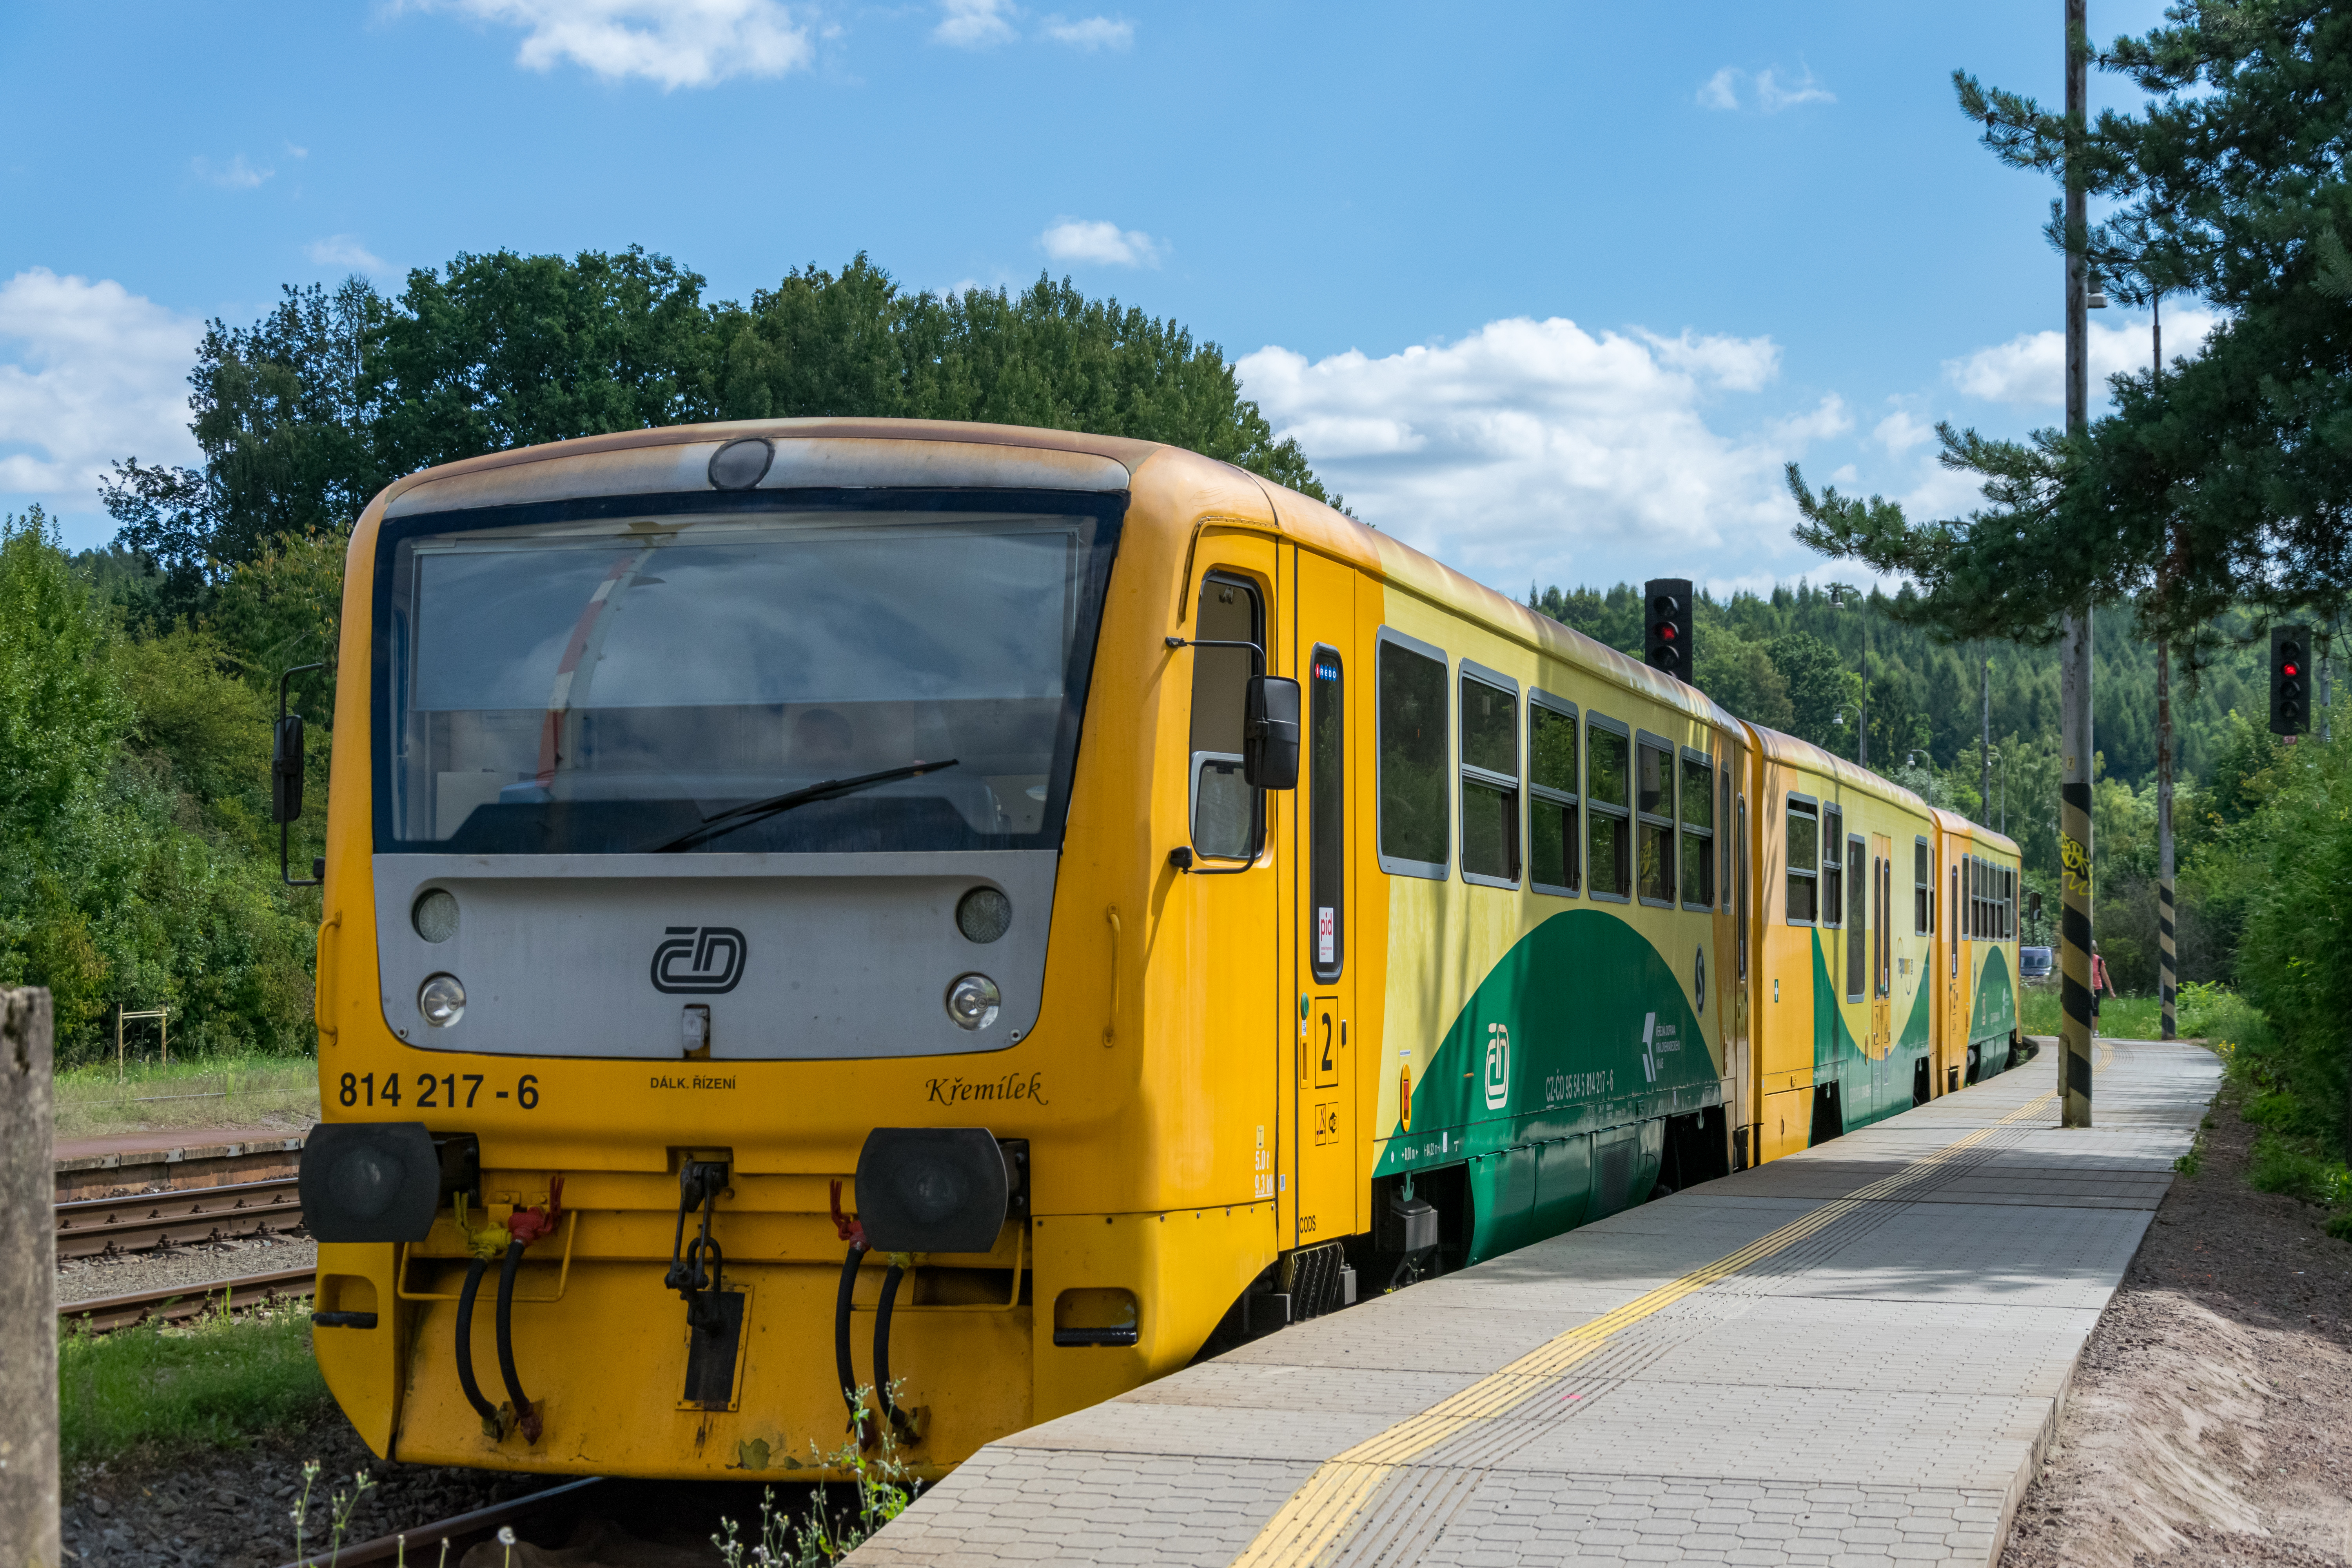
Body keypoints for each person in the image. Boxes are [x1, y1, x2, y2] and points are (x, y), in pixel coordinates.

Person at [2089, 940, 2114, 1034]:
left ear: (2095, 950)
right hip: (2086, 988)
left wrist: (2111, 991)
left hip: (2097, 988)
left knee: (2095, 1008)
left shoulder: (2099, 960)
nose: (2091, 950)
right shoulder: (2083, 958)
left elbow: (2105, 976)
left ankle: (2095, 1030)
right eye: (2090, 948)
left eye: (2093, 949)